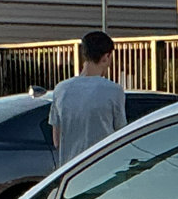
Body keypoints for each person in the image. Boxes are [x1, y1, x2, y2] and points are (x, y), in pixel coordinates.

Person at [49, 30, 126, 165]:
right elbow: (121, 134)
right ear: (106, 57)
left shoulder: (61, 89)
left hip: (71, 170)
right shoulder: (114, 91)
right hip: (103, 168)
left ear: (84, 55)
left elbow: (56, 140)